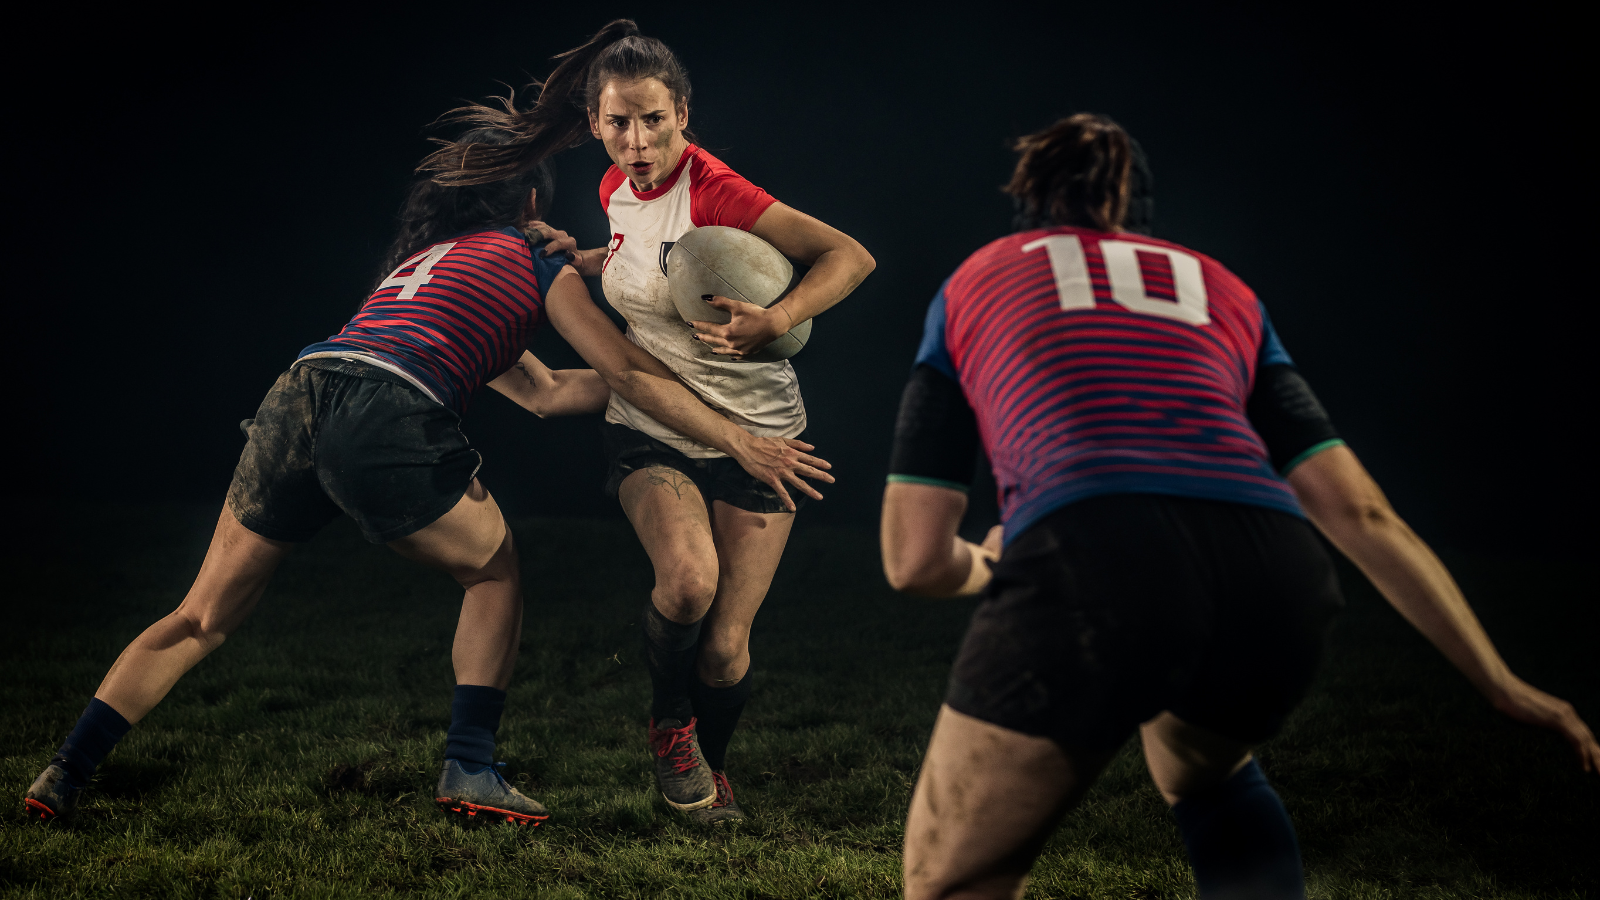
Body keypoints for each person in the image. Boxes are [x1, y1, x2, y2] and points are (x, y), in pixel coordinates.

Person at [22, 43, 830, 826]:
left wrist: (669, 387)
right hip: (386, 411)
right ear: (533, 209)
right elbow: (620, 373)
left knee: (200, 616)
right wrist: (724, 419)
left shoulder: (425, 268)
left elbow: (544, 392)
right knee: (495, 576)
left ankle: (66, 767)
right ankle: (471, 764)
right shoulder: (534, 262)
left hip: (300, 390)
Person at [879, 113, 1599, 899]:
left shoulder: (975, 280)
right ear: (1133, 209)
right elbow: (1362, 516)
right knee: (1203, 773)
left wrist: (992, 567)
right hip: (1275, 573)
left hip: (1090, 555)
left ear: (1027, 200)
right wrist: (1500, 682)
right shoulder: (1222, 288)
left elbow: (913, 562)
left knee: (951, 882)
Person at [505, 21, 876, 823]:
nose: (636, 142)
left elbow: (850, 256)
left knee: (725, 647)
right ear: (595, 122)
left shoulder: (715, 189)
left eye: (653, 121)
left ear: (682, 112)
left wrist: (777, 318)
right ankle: (671, 728)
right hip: (656, 420)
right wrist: (583, 259)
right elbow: (633, 261)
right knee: (686, 581)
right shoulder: (612, 190)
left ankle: (712, 772)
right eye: (617, 123)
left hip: (761, 433)